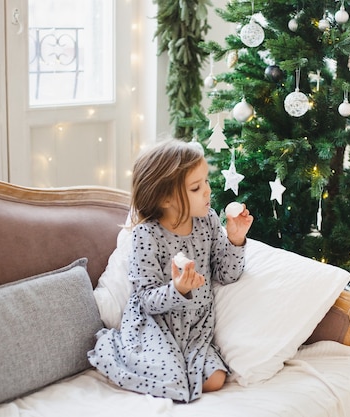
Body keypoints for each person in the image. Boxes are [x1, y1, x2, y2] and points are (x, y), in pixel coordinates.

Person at [88, 139, 253, 403]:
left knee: (215, 379)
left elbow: (227, 274)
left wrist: (235, 240)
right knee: (172, 379)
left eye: (206, 182)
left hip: (196, 330)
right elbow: (146, 299)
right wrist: (178, 290)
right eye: (196, 187)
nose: (208, 192)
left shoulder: (208, 221)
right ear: (166, 198)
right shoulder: (147, 235)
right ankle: (119, 349)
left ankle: (176, 365)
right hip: (154, 326)